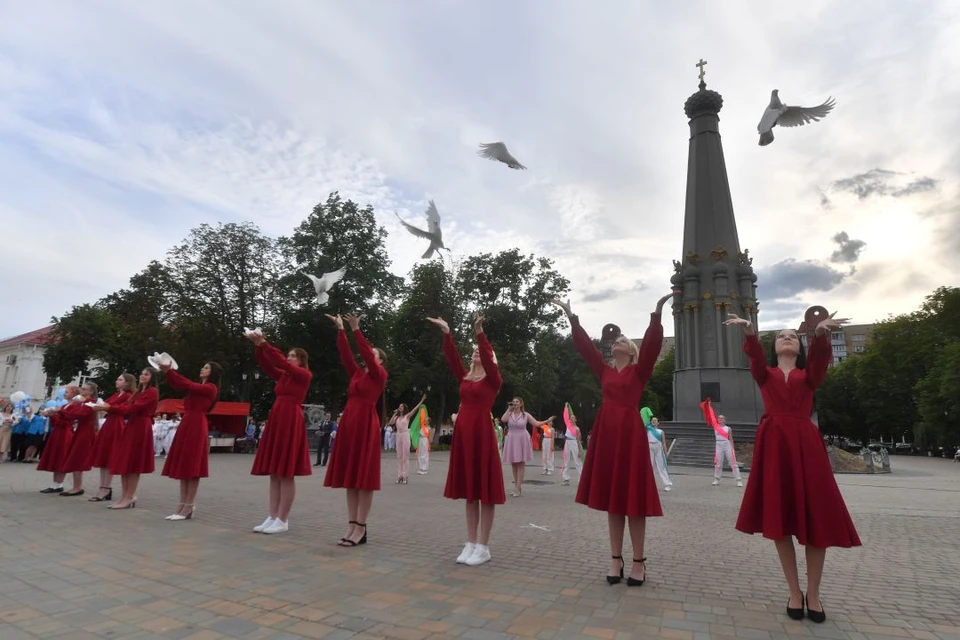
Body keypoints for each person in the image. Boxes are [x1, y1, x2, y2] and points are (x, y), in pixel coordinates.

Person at [725, 313, 861, 623]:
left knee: (816, 519)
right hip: (775, 446)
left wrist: (821, 336)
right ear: (774, 347)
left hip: (806, 445)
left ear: (800, 348)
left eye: (792, 336)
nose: (787, 338)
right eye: (780, 336)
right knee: (780, 519)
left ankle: (813, 593)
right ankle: (794, 591)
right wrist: (750, 334)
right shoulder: (766, 374)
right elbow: (755, 362)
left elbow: (819, 363)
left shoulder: (808, 375)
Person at [551, 293, 673, 587]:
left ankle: (638, 562)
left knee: (634, 501)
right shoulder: (604, 370)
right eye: (614, 341)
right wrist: (572, 317)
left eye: (622, 341)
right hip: (607, 433)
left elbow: (654, 344)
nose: (616, 342)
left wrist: (656, 314)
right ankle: (615, 559)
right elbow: (585, 348)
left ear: (631, 351)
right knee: (614, 502)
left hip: (630, 434)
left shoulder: (639, 371)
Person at [428, 313, 504, 567]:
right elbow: (452, 359)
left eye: (478, 352)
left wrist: (479, 332)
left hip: (481, 433)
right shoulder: (465, 377)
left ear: (488, 357)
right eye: (472, 352)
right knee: (471, 493)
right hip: (464, 435)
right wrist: (447, 334)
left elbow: (489, 361)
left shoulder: (493, 380)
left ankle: (484, 546)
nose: (474, 354)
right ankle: (470, 542)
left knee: (485, 492)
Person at [323, 313, 388, 547]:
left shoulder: (379, 375)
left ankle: (361, 526)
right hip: (350, 423)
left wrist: (356, 329)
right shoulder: (358, 374)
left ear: (380, 361)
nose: (369, 357)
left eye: (374, 355)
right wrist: (341, 331)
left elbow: (364, 353)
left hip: (365, 425)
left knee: (364, 479)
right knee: (351, 479)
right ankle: (351, 524)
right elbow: (346, 355)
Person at [245, 331, 312, 535]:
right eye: (289, 355)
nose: (289, 357)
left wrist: (265, 343)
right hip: (278, 418)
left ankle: (283, 519)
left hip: (290, 418)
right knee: (274, 473)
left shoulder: (303, 375)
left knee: (286, 472)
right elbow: (267, 365)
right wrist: (258, 346)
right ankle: (272, 515)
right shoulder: (284, 376)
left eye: (292, 355)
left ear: (300, 360)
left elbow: (280, 361)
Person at [160, 360, 222, 521]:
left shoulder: (210, 388)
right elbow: (179, 384)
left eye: (206, 367)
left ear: (213, 373)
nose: (202, 369)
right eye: (203, 366)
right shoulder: (198, 387)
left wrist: (169, 370)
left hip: (196, 425)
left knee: (192, 466)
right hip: (188, 423)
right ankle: (181, 504)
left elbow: (186, 384)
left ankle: (189, 505)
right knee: (184, 466)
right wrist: (168, 372)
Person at [98, 368, 160, 509]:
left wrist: (109, 408)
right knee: (126, 461)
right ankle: (124, 497)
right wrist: (106, 407)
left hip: (141, 426)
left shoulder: (152, 392)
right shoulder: (138, 391)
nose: (142, 376)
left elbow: (133, 408)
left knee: (133, 463)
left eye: (146, 374)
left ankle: (130, 496)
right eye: (142, 373)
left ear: (152, 377)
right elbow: (126, 406)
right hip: (132, 425)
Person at [89, 374, 136, 501]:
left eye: (120, 379)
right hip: (109, 424)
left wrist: (107, 407)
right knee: (104, 457)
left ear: (127, 383)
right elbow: (105, 403)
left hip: (117, 424)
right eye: (118, 378)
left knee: (110, 456)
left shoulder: (128, 395)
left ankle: (106, 487)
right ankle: (103, 487)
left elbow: (124, 409)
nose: (117, 381)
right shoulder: (116, 395)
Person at [500, 398, 554, 497]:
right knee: (514, 464)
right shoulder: (510, 414)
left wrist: (547, 420)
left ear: (521, 404)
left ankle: (517, 488)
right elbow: (503, 419)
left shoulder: (525, 415)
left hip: (522, 439)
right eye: (514, 402)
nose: (515, 403)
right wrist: (509, 409)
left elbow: (536, 423)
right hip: (512, 438)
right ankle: (517, 486)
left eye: (517, 402)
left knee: (520, 463)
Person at [57, 381, 100, 496]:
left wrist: (61, 410)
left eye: (85, 389)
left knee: (78, 457)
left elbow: (79, 414)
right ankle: (77, 486)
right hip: (82, 430)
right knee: (76, 457)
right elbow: (74, 414)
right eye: (82, 389)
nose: (82, 391)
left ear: (91, 391)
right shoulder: (84, 402)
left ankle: (77, 487)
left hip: (86, 432)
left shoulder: (91, 402)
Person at [37, 386, 79, 493]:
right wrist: (51, 415)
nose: (65, 393)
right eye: (65, 392)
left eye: (67, 392)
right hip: (58, 432)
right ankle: (55, 484)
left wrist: (53, 414)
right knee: (56, 456)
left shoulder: (74, 406)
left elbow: (67, 421)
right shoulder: (65, 405)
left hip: (65, 433)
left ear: (74, 394)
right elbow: (57, 422)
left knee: (61, 457)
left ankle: (59, 484)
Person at [389, 397, 425, 484]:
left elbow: (415, 409)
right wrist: (395, 414)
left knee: (405, 457)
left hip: (405, 435)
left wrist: (421, 401)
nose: (399, 407)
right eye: (399, 406)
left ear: (404, 408)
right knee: (399, 457)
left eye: (401, 407)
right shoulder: (397, 418)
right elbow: (390, 423)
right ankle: (400, 476)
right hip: (398, 436)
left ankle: (405, 476)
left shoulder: (407, 416)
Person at [641, 409, 673, 492]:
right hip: (649, 447)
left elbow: (664, 443)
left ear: (658, 423)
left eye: (655, 420)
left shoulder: (661, 431)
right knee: (650, 466)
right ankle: (648, 484)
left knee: (661, 466)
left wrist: (666, 453)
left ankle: (667, 484)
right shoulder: (648, 429)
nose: (653, 421)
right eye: (652, 420)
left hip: (658, 448)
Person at [709, 412, 742, 487]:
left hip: (727, 444)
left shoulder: (728, 428)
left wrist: (732, 448)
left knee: (733, 463)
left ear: (725, 420)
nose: (720, 419)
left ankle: (738, 480)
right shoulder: (715, 426)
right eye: (719, 418)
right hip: (719, 444)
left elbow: (731, 438)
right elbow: (711, 416)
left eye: (722, 418)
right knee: (718, 463)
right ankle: (716, 479)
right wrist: (708, 405)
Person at [560, 404, 583, 487]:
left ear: (575, 420)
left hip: (574, 443)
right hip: (567, 442)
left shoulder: (577, 429)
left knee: (577, 462)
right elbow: (565, 416)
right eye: (570, 418)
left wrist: (580, 450)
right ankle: (566, 479)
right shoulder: (568, 426)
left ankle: (581, 480)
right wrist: (566, 407)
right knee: (567, 461)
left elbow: (578, 440)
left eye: (573, 418)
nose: (571, 419)